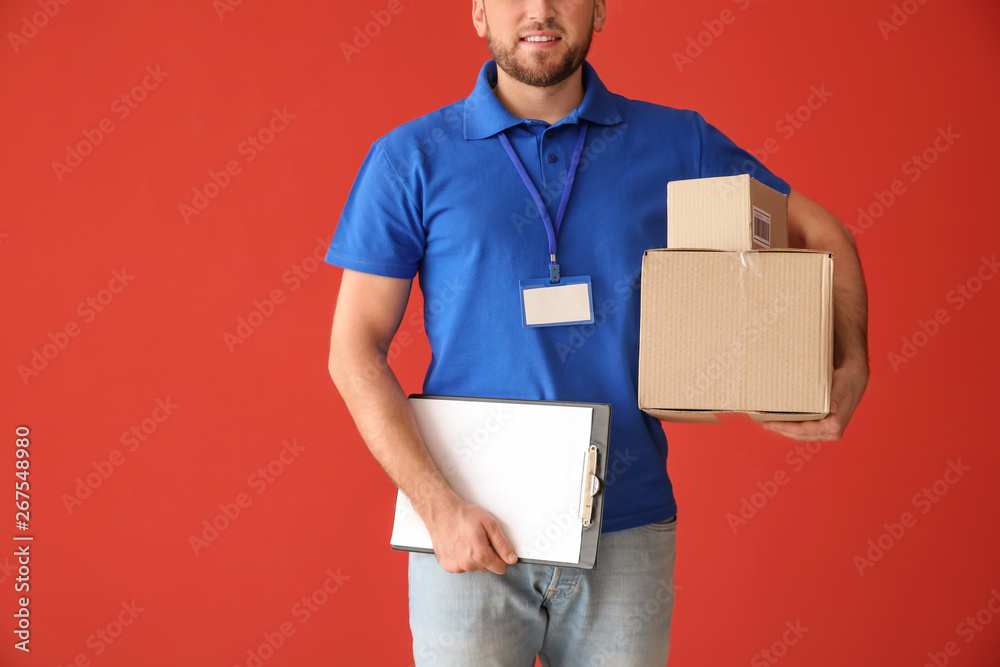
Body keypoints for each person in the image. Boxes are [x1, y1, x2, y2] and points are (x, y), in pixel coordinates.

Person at [325, 0, 869, 664]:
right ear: (478, 14)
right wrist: (437, 508)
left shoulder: (677, 143)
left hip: (628, 532)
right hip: (466, 536)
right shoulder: (410, 158)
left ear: (600, 11)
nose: (540, 10)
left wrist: (851, 360)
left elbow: (823, 232)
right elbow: (353, 350)